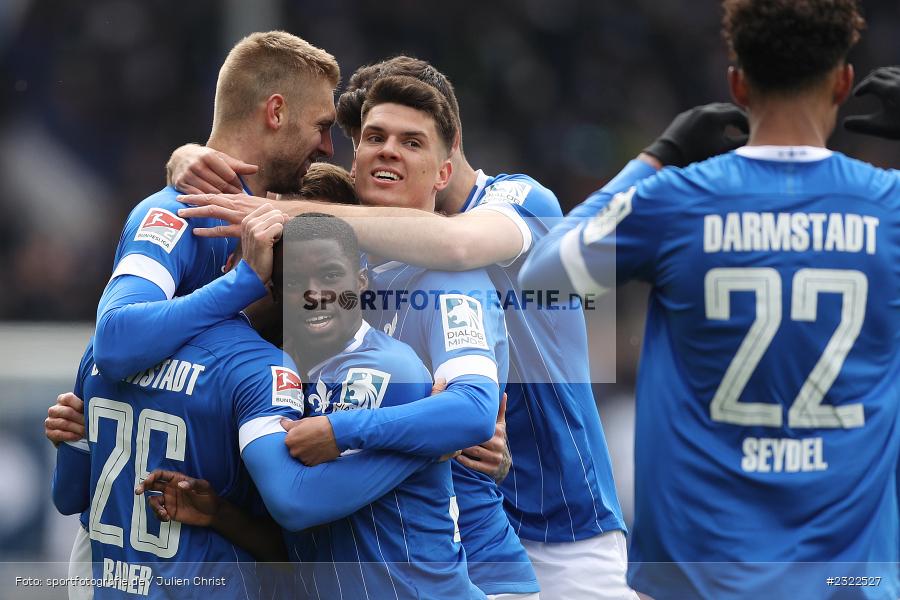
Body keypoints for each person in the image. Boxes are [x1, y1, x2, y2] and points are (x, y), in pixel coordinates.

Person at [172, 55, 626, 598]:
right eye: (371, 137)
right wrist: (186, 159)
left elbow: (455, 249)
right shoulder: (357, 257)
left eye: (411, 140)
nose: (386, 152)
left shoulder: (512, 208)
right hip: (460, 525)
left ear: (448, 151)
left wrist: (443, 426)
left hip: (563, 525)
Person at [520, 1, 897, 598]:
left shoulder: (674, 201)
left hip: (699, 580)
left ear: (737, 84)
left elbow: (542, 275)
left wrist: (656, 156)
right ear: (845, 82)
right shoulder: (890, 208)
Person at [92, 30, 338, 384]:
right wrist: (245, 281)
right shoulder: (177, 214)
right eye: (322, 126)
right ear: (277, 112)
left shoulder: (278, 216)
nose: (329, 148)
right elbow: (115, 341)